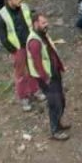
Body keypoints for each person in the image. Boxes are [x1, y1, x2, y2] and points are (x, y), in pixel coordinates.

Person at [25, 12, 70, 140]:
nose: (47, 24)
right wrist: (46, 78)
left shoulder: (42, 35)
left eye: (46, 21)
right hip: (47, 78)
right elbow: (37, 63)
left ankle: (58, 124)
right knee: (55, 103)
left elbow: (51, 52)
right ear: (35, 24)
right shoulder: (35, 42)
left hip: (53, 72)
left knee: (61, 100)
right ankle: (55, 130)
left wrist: (59, 66)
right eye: (43, 22)